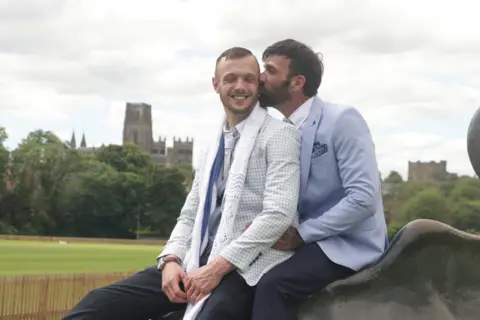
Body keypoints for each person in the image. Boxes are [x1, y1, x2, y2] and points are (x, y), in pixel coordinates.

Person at [62, 47, 301, 320]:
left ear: (258, 84)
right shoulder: (212, 145)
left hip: (246, 268)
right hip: (193, 262)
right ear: (216, 84)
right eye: (230, 78)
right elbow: (190, 213)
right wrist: (171, 260)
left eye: (248, 79)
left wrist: (216, 268)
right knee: (95, 306)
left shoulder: (280, 135)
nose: (240, 86)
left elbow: (278, 213)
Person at [252, 39, 389, 320]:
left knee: (273, 285)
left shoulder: (343, 120)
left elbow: (363, 198)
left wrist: (302, 234)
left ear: (296, 82)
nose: (260, 77)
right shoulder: (277, 131)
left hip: (346, 243)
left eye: (270, 70)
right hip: (304, 241)